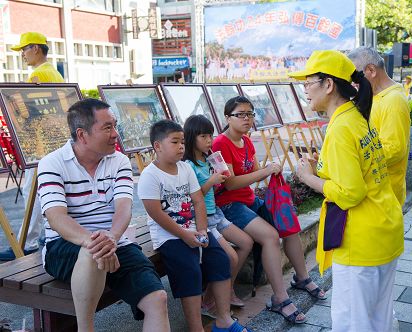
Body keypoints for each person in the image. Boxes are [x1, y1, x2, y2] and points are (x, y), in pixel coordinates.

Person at [290, 50, 404, 332]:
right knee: (379, 318)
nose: (304, 90)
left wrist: (307, 177)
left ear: (328, 85)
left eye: (308, 82)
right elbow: (359, 168)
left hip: (361, 240)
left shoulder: (340, 127)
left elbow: (351, 193)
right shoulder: (357, 116)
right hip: (383, 228)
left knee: (353, 322)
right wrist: (322, 168)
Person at [37, 99, 170, 331]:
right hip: (64, 245)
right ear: (82, 134)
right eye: (107, 127)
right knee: (91, 253)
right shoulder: (52, 163)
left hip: (115, 240)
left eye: (115, 126)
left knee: (157, 298)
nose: (115, 134)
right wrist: (95, 242)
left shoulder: (118, 161)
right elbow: (56, 217)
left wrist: (111, 238)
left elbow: (124, 208)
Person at [212, 96, 327, 325]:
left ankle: (302, 278)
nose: (247, 119)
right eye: (240, 114)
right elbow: (230, 183)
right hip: (228, 205)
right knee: (271, 237)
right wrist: (266, 171)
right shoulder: (220, 144)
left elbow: (253, 175)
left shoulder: (247, 142)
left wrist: (269, 173)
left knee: (289, 224)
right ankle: (280, 297)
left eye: (250, 114)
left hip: (249, 200)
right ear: (227, 118)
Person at [138, 120, 250, 332]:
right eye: (175, 142)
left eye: (182, 141)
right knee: (189, 269)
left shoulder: (184, 168)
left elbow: (198, 200)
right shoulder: (149, 175)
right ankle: (196, 328)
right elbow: (155, 213)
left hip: (195, 229)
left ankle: (223, 320)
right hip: (169, 235)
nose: (181, 146)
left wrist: (201, 230)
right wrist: (185, 234)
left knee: (221, 258)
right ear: (157, 146)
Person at [0, 32, 65, 261]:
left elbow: (24, 112)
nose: (22, 55)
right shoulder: (54, 72)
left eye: (24, 49)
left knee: (33, 193)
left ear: (36, 48)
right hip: (54, 141)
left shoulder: (38, 75)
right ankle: (43, 237)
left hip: (38, 144)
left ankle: (26, 242)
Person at [183, 114, 254, 316]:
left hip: (217, 213)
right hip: (203, 219)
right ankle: (211, 299)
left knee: (246, 242)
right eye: (204, 136)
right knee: (230, 257)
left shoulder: (208, 159)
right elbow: (192, 198)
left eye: (210, 136)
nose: (209, 141)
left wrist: (220, 179)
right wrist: (212, 181)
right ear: (191, 137)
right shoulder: (188, 165)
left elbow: (214, 191)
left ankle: (220, 292)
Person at [348, 46, 411, 207]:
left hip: (385, 195)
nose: (353, 83)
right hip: (372, 191)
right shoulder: (374, 96)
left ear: (371, 70)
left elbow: (394, 149)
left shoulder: (394, 100)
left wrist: (354, 158)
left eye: (355, 76)